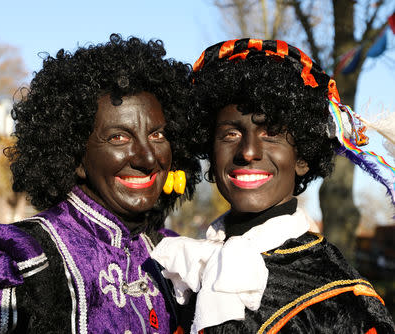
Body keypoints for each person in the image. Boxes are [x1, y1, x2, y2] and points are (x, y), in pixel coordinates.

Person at [0, 34, 200, 333]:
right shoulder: (17, 261)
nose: (146, 157)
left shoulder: (174, 258)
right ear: (75, 156)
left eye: (157, 135)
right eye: (119, 137)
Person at [152, 38, 395, 333]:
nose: (248, 151)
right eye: (230, 134)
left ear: (302, 157)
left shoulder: (343, 300)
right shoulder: (182, 269)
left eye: (271, 133)